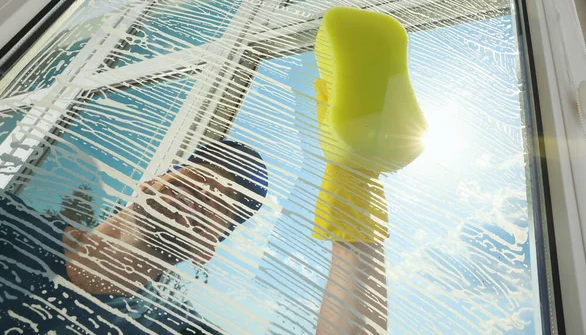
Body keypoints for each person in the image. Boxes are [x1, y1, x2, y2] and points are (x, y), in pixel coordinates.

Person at [0, 138, 387, 334]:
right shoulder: (11, 224)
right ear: (150, 183)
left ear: (207, 250)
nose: (210, 190)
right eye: (202, 174)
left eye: (229, 202)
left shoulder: (171, 328)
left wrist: (357, 233)